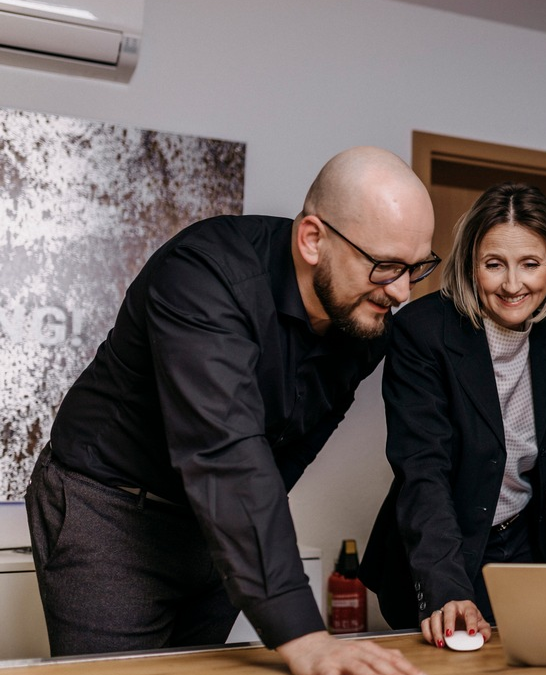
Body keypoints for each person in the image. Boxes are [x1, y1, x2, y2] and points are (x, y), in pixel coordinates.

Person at [26, 146, 437, 675]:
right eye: (384, 266)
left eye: (416, 268)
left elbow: (296, 443)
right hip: (109, 509)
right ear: (313, 239)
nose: (401, 291)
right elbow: (224, 452)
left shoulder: (363, 316)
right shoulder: (204, 277)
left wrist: (244, 536)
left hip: (212, 519)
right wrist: (305, 635)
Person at [359, 182, 546, 649]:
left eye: (531, 264)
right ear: (469, 264)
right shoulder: (422, 332)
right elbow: (423, 470)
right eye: (494, 264)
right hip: (441, 546)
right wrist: (447, 589)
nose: (514, 284)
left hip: (522, 540)